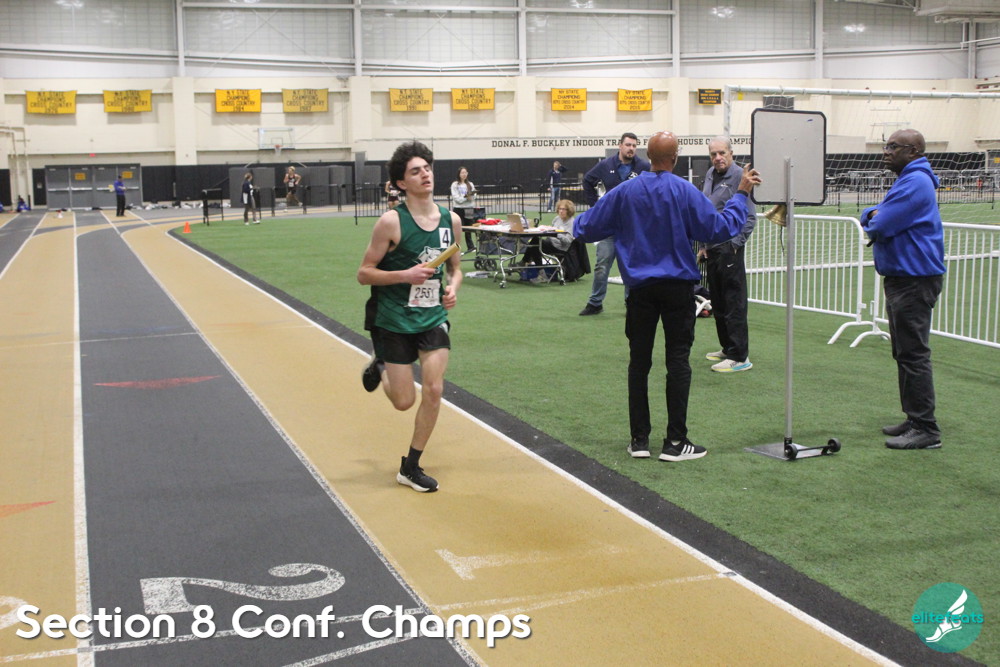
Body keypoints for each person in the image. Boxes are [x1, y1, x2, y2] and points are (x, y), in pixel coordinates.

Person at [574, 131, 761, 462]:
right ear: (675, 158)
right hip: (677, 290)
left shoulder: (625, 192)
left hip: (640, 291)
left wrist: (610, 223)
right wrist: (742, 194)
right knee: (677, 361)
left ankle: (639, 440)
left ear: (647, 155)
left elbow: (585, 229)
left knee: (639, 363)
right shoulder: (684, 190)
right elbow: (720, 228)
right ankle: (675, 441)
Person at [358, 140, 464, 492]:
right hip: (393, 319)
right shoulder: (391, 222)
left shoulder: (451, 220)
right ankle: (381, 365)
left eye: (427, 168)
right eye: (415, 171)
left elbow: (456, 268)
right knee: (404, 402)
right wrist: (405, 275)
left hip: (432, 317)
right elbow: (364, 273)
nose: (425, 175)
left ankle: (411, 466)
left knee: (434, 388)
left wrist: (453, 288)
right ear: (401, 183)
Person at [860, 129, 945, 450]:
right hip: (905, 277)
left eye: (893, 146)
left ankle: (926, 428)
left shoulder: (915, 182)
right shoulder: (909, 180)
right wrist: (871, 214)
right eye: (886, 145)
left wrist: (873, 216)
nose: (886, 151)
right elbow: (873, 215)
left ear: (913, 151)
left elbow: (879, 224)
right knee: (905, 352)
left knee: (913, 354)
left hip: (914, 279)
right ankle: (914, 418)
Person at [698, 136, 756, 373]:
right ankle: (727, 348)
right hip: (712, 249)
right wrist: (703, 245)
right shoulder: (710, 174)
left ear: (731, 153)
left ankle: (739, 356)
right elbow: (707, 211)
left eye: (722, 153)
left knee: (734, 303)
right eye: (713, 154)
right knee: (719, 303)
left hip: (729, 249)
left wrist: (735, 244)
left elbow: (749, 217)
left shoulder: (741, 177)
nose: (718, 158)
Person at [578, 132, 650, 316]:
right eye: (628, 145)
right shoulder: (606, 165)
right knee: (602, 266)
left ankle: (631, 303)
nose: (631, 148)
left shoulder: (644, 167)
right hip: (609, 226)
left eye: (634, 145)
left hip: (632, 228)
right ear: (620, 145)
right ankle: (595, 303)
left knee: (631, 267)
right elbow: (587, 181)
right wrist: (595, 206)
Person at [520, 199, 576, 281]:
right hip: (551, 242)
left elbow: (568, 241)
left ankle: (525, 263)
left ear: (569, 210)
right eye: (560, 209)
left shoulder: (571, 222)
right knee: (535, 241)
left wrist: (556, 233)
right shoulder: (557, 219)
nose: (561, 211)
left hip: (560, 247)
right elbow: (553, 231)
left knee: (535, 243)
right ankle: (528, 264)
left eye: (564, 209)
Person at [450, 167, 477, 253]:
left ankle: (471, 247)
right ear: (459, 174)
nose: (464, 174)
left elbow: (474, 196)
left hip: (469, 208)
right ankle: (456, 247)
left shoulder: (470, 184)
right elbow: (457, 199)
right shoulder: (455, 185)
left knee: (469, 229)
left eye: (465, 172)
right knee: (458, 228)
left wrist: (471, 197)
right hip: (458, 209)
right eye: (462, 173)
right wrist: (466, 197)